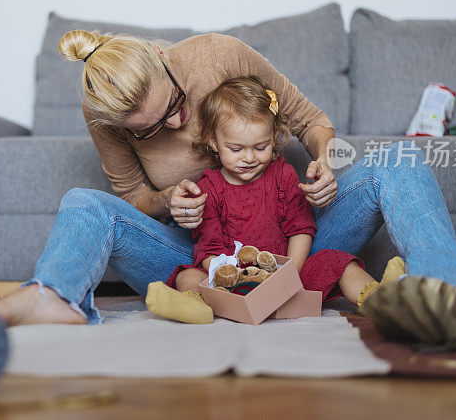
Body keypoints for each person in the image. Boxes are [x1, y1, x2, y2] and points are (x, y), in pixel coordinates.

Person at [0, 30, 456, 326]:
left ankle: (452, 290)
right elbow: (132, 197)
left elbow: (310, 120)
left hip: (293, 237)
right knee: (85, 201)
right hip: (198, 251)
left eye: (175, 104)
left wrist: (324, 161)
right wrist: (168, 199)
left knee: (400, 161)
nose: (176, 125)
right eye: (152, 131)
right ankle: (50, 295)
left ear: (165, 62)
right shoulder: (103, 113)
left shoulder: (217, 54)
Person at [146, 77, 404, 324]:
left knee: (338, 262)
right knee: (188, 274)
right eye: (236, 150)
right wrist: (232, 277)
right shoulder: (208, 187)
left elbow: (301, 228)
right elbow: (208, 248)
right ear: (214, 142)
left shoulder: (283, 175)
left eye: (261, 147)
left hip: (286, 272)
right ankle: (193, 306)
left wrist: (289, 273)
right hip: (231, 279)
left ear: (274, 138)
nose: (249, 158)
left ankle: (380, 299)